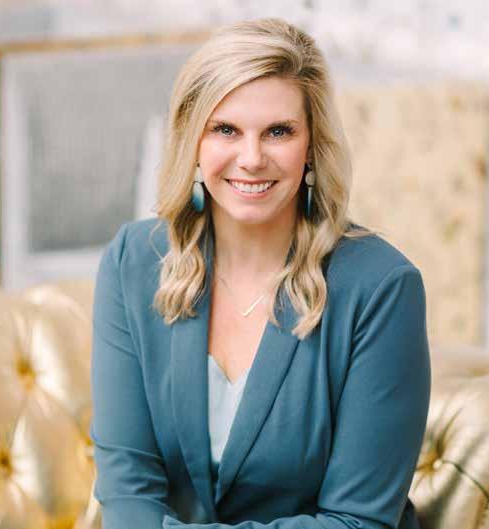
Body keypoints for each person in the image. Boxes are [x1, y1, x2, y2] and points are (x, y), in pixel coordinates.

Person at [90, 17, 431, 529]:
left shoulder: (382, 288)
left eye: (278, 132)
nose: (251, 159)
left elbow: (356, 522)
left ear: (311, 144)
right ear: (193, 140)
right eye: (225, 129)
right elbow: (126, 487)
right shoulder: (133, 261)